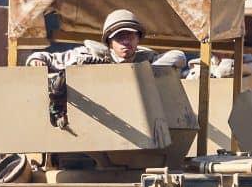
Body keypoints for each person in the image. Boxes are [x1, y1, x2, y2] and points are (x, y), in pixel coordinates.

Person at [25, 9, 186, 126]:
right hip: (93, 123)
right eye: (119, 37)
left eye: (131, 36)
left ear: (138, 39)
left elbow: (178, 56)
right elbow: (47, 58)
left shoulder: (146, 58)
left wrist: (145, 71)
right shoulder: (89, 56)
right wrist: (36, 60)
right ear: (109, 41)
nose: (126, 42)